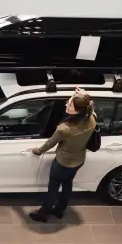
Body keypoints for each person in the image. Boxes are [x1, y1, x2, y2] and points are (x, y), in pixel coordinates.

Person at [27, 88, 96, 222]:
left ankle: (43, 214)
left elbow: (49, 144)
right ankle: (59, 210)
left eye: (69, 104)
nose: (66, 104)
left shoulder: (64, 129)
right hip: (79, 160)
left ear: (76, 111)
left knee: (53, 189)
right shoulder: (92, 118)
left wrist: (37, 151)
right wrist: (82, 94)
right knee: (67, 184)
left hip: (63, 163)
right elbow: (90, 106)